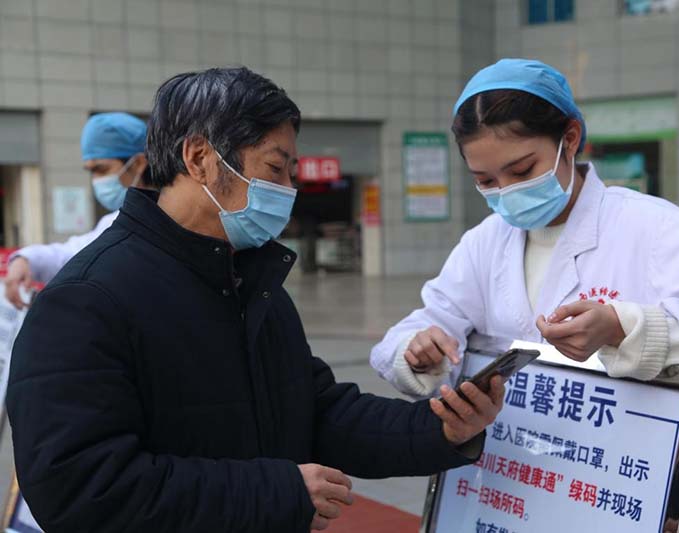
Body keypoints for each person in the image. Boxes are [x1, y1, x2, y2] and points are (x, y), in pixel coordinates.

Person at [6, 67, 504, 533]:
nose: (288, 190)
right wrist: (276, 492)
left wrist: (438, 429)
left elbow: (314, 411)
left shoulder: (246, 278)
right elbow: (78, 487)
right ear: (199, 158)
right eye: (275, 168)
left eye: (291, 173)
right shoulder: (89, 299)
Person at [371, 58, 679, 401]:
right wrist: (418, 351)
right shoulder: (485, 242)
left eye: (522, 170)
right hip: (505, 476)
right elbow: (428, 322)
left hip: (611, 474)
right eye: (486, 180)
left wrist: (626, 327)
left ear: (569, 139)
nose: (507, 192)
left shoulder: (655, 228)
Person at [3, 112, 151, 309]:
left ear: (139, 163)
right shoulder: (114, 221)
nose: (97, 181)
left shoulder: (173, 218)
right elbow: (75, 254)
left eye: (102, 169)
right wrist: (26, 260)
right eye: (91, 171)